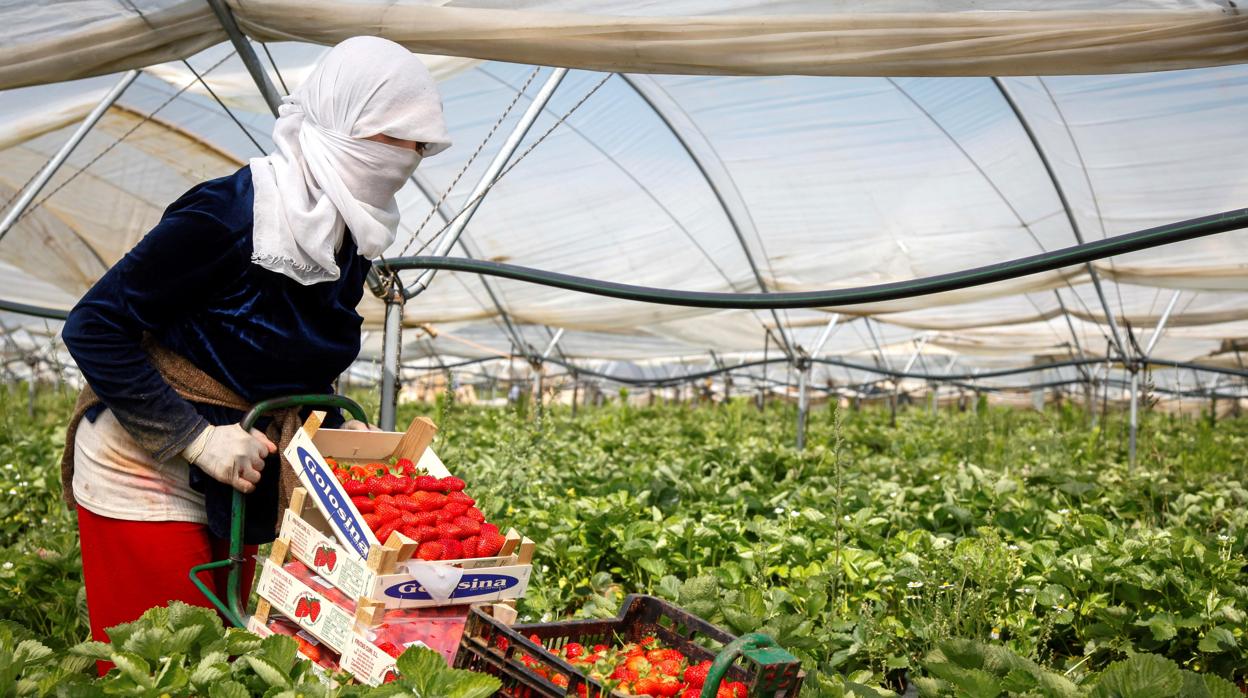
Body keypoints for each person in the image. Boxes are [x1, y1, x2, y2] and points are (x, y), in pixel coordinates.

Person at [59, 36, 451, 661]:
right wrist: (196, 438)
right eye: (392, 138)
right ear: (340, 121)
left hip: (244, 473)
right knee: (165, 663)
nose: (408, 158)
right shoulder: (231, 213)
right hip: (147, 461)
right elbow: (93, 326)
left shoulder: (346, 238)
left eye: (419, 145)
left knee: (231, 659)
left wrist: (352, 452)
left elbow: (297, 359)